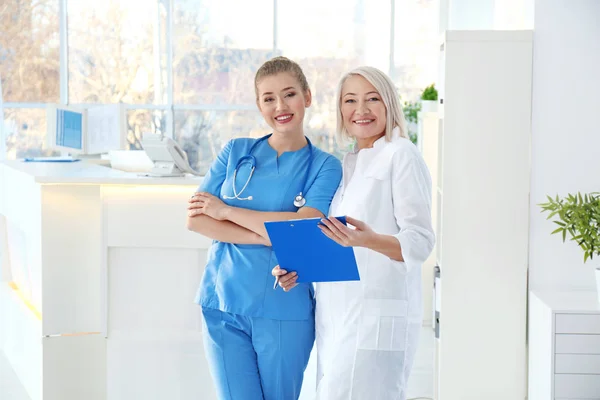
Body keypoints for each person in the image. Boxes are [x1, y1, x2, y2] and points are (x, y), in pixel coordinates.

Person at [272, 66, 435, 400]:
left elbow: (420, 240)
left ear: (389, 104)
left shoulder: (401, 154)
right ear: (341, 111)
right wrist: (298, 269)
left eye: (372, 99)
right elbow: (338, 243)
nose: (361, 110)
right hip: (337, 317)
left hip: (373, 318)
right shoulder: (349, 163)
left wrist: (367, 239)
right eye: (350, 101)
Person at [186, 56, 342, 400]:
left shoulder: (325, 166)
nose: (280, 106)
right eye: (268, 98)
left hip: (284, 306)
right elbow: (196, 219)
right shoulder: (235, 151)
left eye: (289, 94)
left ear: (307, 97)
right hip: (222, 302)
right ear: (259, 105)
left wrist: (226, 211)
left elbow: (306, 226)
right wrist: (269, 234)